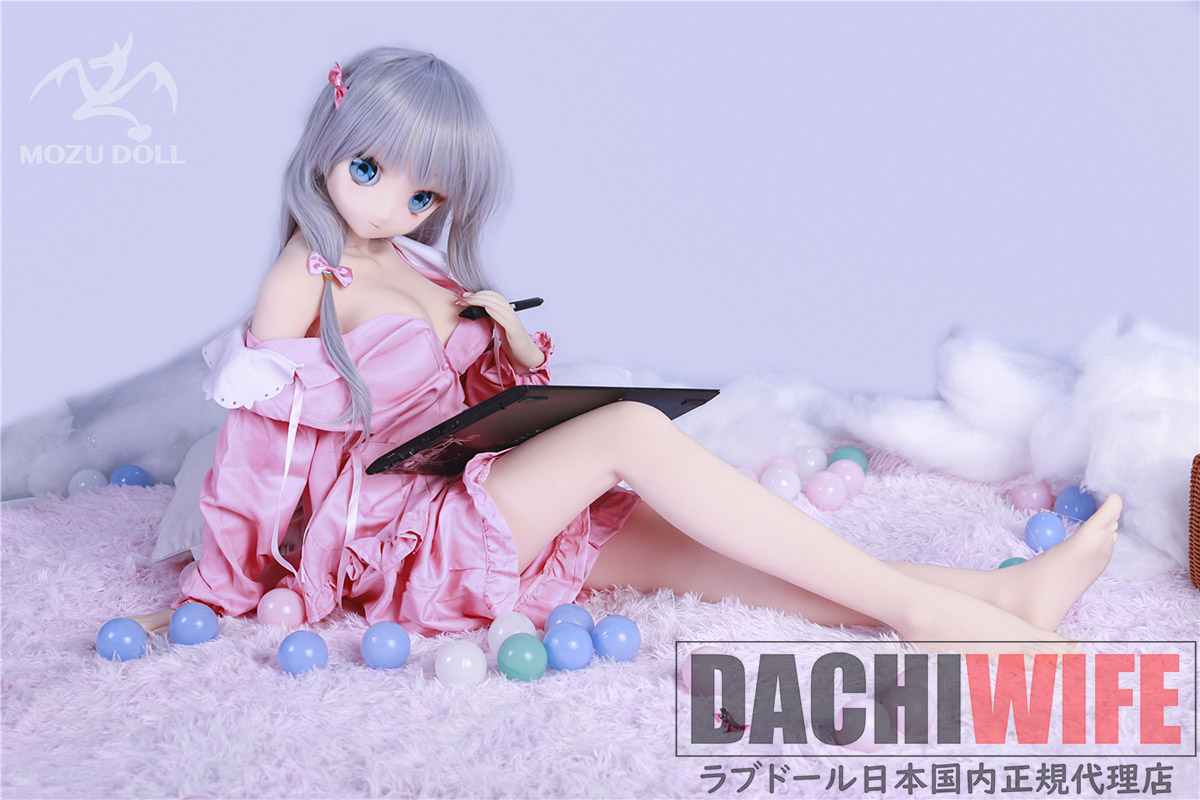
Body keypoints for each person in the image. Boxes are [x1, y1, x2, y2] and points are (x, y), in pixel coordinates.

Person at [134, 47, 1122, 657]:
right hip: (404, 536)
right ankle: (928, 618)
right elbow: (260, 460)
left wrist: (503, 336)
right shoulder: (304, 274)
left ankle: (999, 595)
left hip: (470, 485)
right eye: (369, 169)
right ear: (329, 142)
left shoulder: (414, 259)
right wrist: (220, 591)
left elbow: (459, 399)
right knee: (632, 431)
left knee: (710, 557)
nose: (394, 205)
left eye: (423, 192)